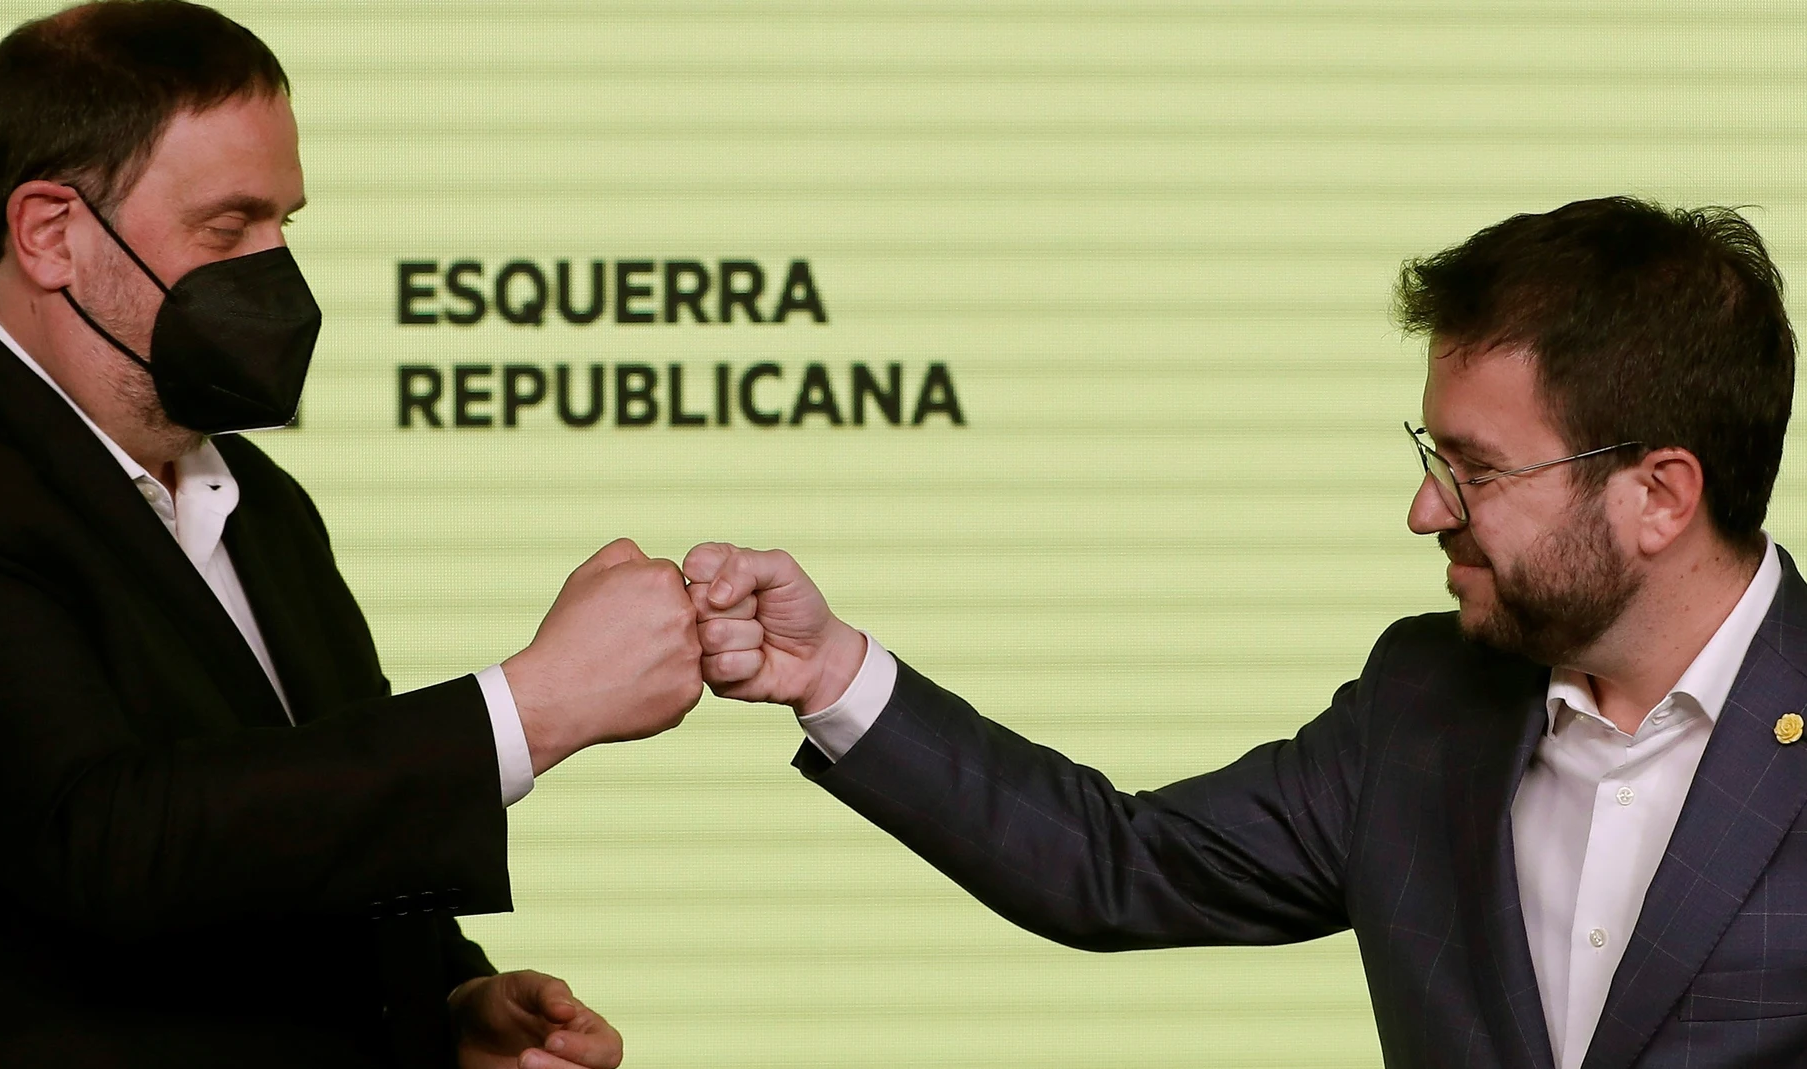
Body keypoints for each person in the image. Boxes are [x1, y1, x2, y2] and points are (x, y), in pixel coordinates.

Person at [685, 197, 1807, 1069]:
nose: (1425, 508)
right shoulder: (1422, 704)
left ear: (1659, 495)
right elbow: (1112, 866)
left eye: (1475, 470)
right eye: (1432, 459)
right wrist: (828, 671)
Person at [0, 3, 703, 1067]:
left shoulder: (260, 499)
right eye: (227, 229)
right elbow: (103, 840)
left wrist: (445, 999)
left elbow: (299, 817)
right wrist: (531, 704)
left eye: (286, 224)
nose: (278, 274)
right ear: (51, 233)